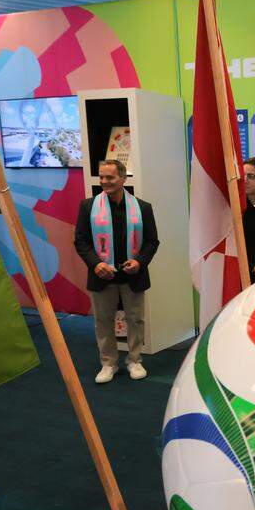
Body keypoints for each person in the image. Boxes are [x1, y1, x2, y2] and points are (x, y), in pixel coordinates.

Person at [74, 159, 159, 384]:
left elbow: (152, 242)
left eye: (109, 177)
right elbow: (81, 241)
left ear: (123, 178)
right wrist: (96, 264)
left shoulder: (142, 208)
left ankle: (134, 360)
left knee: (136, 320)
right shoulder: (87, 207)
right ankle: (108, 363)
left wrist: (140, 262)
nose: (104, 181)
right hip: (102, 275)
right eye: (101, 176)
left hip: (133, 276)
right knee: (103, 321)